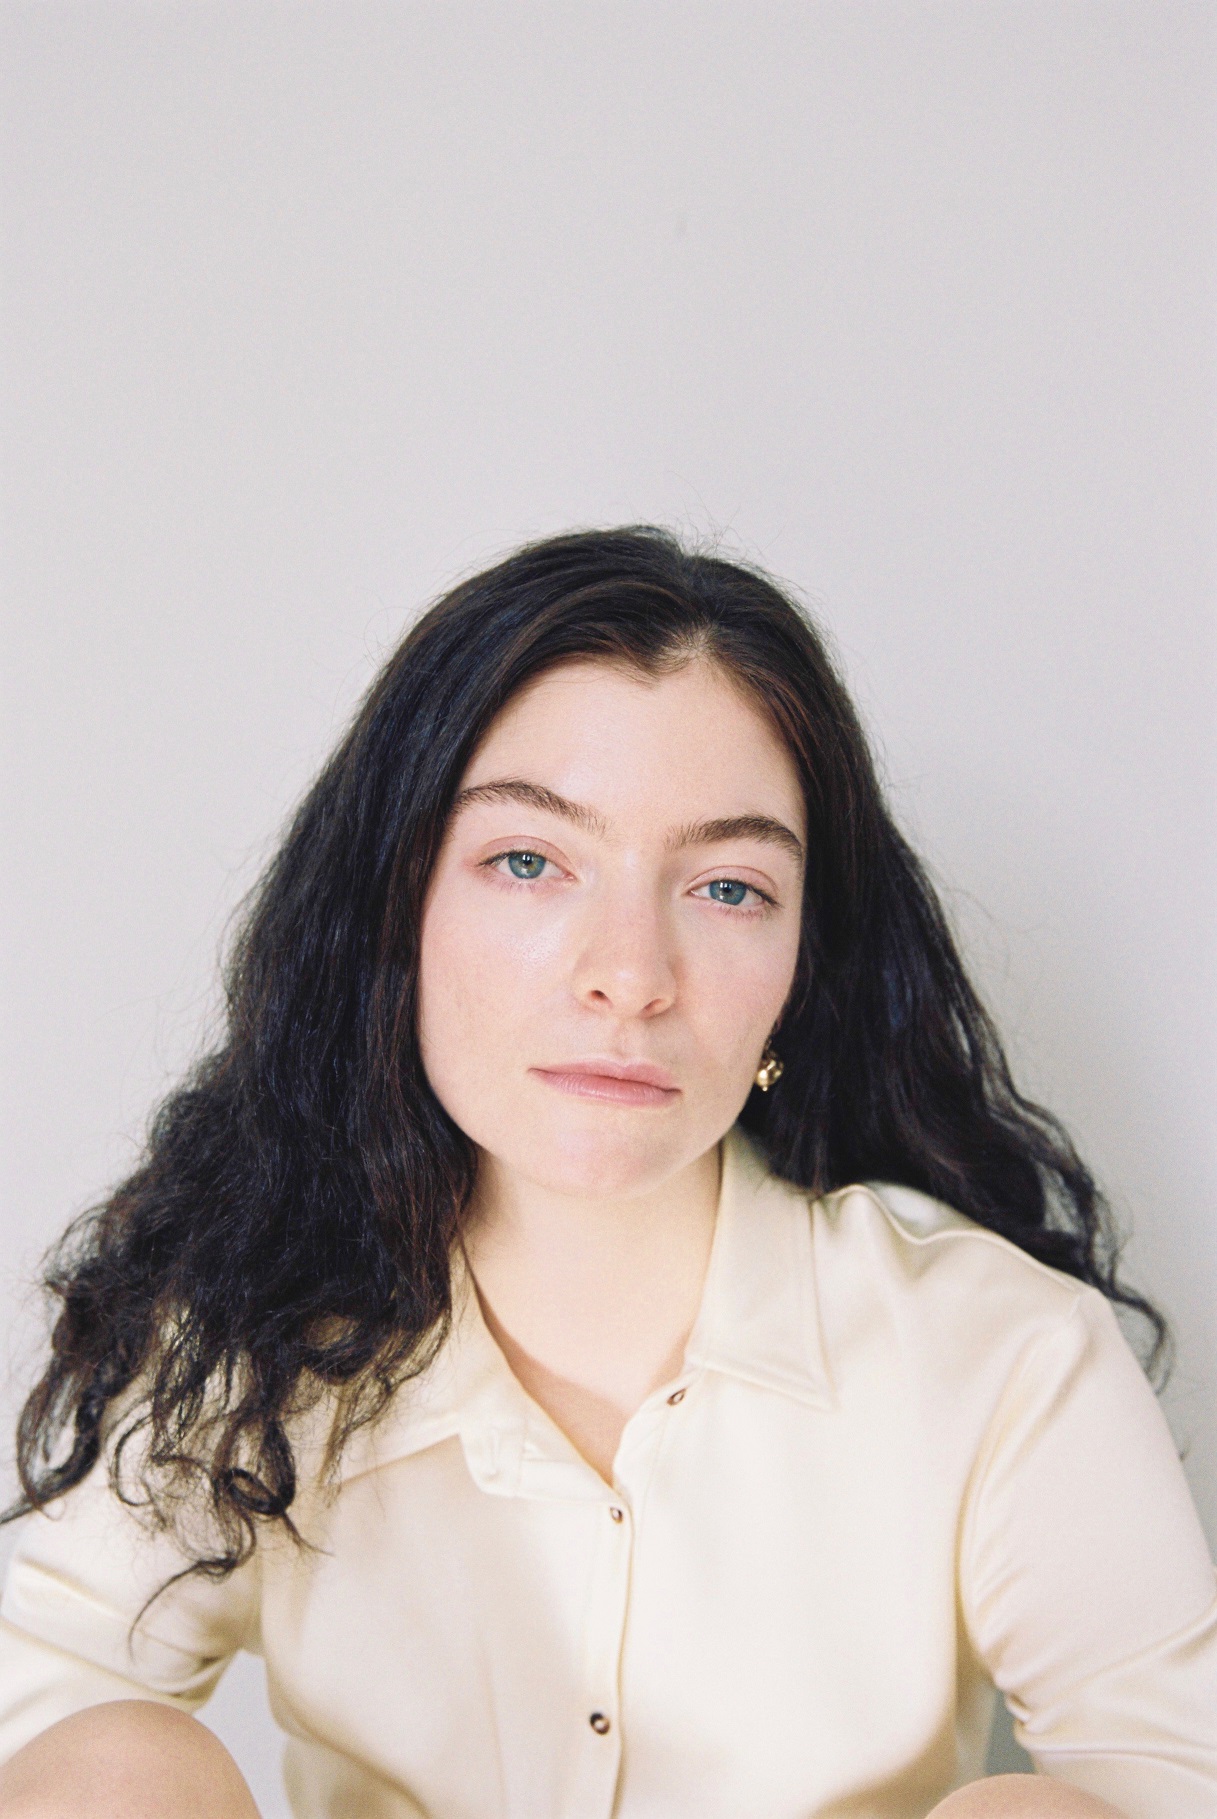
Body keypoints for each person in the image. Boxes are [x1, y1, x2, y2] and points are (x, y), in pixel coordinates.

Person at [0, 528, 1213, 1819]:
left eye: (728, 888)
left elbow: (1174, 1782)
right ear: (392, 912)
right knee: (105, 1771)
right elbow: (39, 1709)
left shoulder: (1000, 1350)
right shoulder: (254, 1324)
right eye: (528, 862)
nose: (629, 976)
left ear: (803, 966)